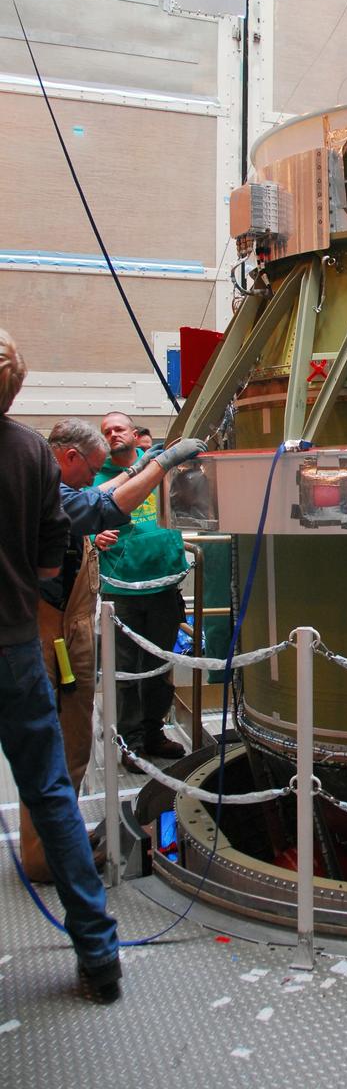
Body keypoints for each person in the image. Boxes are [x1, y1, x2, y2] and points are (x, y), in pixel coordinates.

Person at [20, 418, 206, 879]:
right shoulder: (52, 494)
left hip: (64, 628)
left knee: (71, 743)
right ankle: (46, 855)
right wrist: (162, 463)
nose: (93, 477)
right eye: (90, 468)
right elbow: (101, 506)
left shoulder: (55, 485)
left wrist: (139, 467)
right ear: (69, 457)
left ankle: (58, 834)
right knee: (55, 745)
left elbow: (98, 495)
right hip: (50, 635)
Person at [0, 329, 121, 1002]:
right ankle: (99, 956)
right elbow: (50, 568)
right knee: (51, 794)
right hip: (16, 647)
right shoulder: (29, 454)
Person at [94, 411, 200, 770]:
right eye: (106, 431)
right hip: (122, 592)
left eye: (119, 429)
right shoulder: (99, 481)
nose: (113, 435)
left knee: (158, 666)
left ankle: (154, 733)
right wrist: (94, 536)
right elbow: (80, 520)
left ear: (133, 432)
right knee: (125, 672)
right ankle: (131, 743)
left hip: (163, 586)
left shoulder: (160, 467)